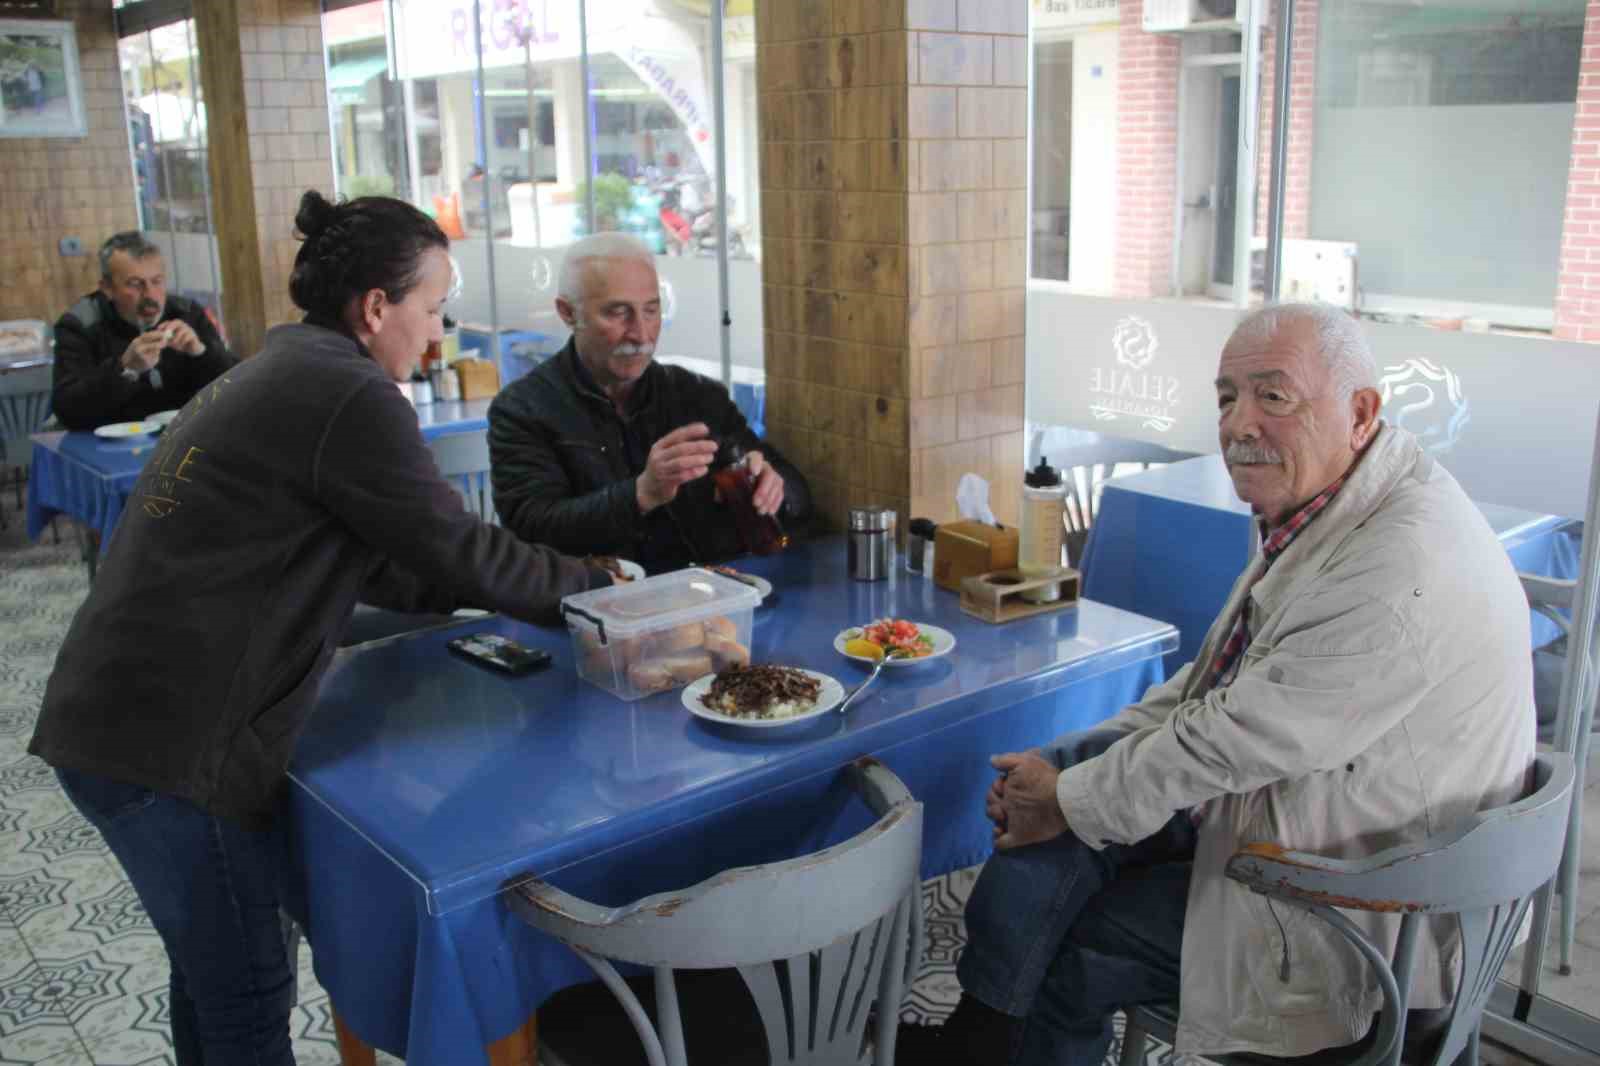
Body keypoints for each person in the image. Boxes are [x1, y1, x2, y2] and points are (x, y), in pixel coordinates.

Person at [29, 190, 614, 1066]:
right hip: (170, 745)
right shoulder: (347, 392)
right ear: (377, 308)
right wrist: (596, 589)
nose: (438, 331)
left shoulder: (290, 366)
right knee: (248, 991)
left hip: (113, 717)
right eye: (433, 308)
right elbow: (457, 547)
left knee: (211, 977)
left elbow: (378, 558)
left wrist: (491, 591)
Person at [896, 302, 1536, 1066]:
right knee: (1057, 807)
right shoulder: (1338, 507)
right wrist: (1065, 770)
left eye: (1274, 396)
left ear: (1360, 412)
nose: (1239, 423)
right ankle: (985, 1027)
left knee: (1075, 939)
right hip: (1314, 806)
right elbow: (1217, 685)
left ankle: (992, 1032)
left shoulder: (1396, 565)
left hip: (1356, 904)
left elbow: (1236, 737)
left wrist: (1068, 797)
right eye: (1227, 396)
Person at [489, 232, 810, 573]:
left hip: (709, 599)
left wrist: (773, 489)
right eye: (617, 313)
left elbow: (798, 495)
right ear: (568, 313)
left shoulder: (696, 395)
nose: (641, 334)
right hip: (589, 608)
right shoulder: (523, 410)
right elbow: (531, 529)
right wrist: (641, 494)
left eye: (651, 310)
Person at [52, 231, 236, 430]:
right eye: (135, 284)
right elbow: (68, 411)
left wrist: (201, 353)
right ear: (107, 288)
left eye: (157, 281)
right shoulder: (80, 325)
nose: (150, 294)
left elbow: (238, 388)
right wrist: (125, 369)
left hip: (184, 439)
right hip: (107, 446)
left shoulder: (188, 314)